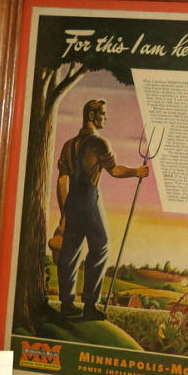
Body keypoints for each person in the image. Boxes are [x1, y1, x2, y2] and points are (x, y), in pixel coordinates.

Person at [55, 99, 149, 321]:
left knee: (70, 251)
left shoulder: (68, 145)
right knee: (101, 247)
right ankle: (89, 306)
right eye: (103, 114)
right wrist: (136, 171)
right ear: (91, 115)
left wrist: (64, 213)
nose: (105, 118)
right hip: (89, 200)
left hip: (71, 202)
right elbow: (114, 171)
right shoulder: (100, 143)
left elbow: (61, 182)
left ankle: (66, 304)